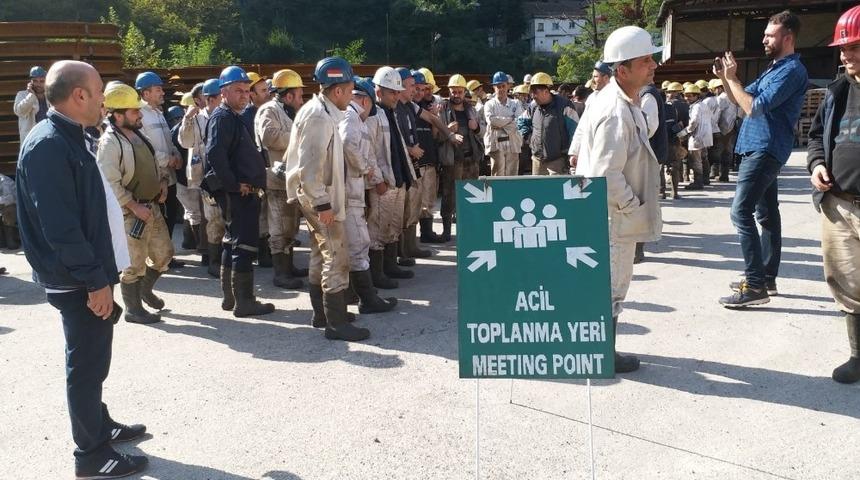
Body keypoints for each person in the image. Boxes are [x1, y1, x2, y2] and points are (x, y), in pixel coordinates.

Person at [16, 60, 148, 478]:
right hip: (76, 279)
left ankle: (99, 424)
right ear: (79, 95)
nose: (104, 100)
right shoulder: (49, 145)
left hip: (87, 273)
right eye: (99, 92)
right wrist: (94, 281)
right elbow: (61, 227)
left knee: (94, 358)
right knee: (86, 364)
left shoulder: (72, 136)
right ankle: (91, 454)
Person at [575, 26, 664, 374]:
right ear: (622, 70)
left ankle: (600, 349)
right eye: (645, 61)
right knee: (611, 286)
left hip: (609, 213)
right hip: (612, 216)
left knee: (607, 284)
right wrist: (632, 206)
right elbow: (605, 174)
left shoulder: (621, 101)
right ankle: (603, 354)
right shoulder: (615, 110)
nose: (653, 65)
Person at [714, 10, 808, 307]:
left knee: (740, 212)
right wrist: (726, 79)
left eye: (770, 35)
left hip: (765, 149)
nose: (764, 39)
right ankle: (766, 277)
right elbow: (738, 99)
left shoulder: (791, 71)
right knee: (766, 214)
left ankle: (755, 285)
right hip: (759, 147)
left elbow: (754, 107)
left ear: (788, 38)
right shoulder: (774, 69)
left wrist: (733, 79)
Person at [284, 57, 370, 341]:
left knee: (320, 253)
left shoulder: (323, 111)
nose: (352, 95)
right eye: (350, 90)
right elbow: (309, 167)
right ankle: (336, 323)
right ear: (338, 90)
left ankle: (323, 314)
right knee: (336, 254)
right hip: (320, 197)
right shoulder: (319, 117)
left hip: (318, 194)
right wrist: (322, 203)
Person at [807, 4, 860, 383]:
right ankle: (858, 356)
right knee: (847, 283)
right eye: (843, 48)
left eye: (853, 47)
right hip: (839, 205)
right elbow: (815, 137)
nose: (845, 56)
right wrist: (816, 165)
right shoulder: (837, 91)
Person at [205, 66, 275, 317]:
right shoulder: (222, 118)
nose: (244, 95)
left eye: (247, 91)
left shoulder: (234, 116)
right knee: (243, 246)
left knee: (232, 243)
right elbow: (215, 154)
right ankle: (244, 302)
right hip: (238, 193)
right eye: (238, 90)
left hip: (242, 191)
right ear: (224, 92)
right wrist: (234, 185)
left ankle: (231, 298)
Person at [340, 76, 398, 314]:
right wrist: (367, 169)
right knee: (358, 244)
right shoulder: (351, 117)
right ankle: (367, 299)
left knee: (351, 244)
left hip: (351, 188)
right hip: (348, 190)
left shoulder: (351, 117)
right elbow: (348, 144)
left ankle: (354, 294)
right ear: (365, 101)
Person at [254, 68, 308, 289]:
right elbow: (269, 137)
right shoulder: (269, 110)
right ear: (288, 95)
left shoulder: (291, 111)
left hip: (290, 180)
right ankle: (281, 273)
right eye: (299, 94)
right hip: (275, 180)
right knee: (279, 228)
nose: (302, 99)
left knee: (291, 225)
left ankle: (289, 266)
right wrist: (300, 137)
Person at [365, 66, 416, 284]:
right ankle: (377, 274)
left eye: (397, 92)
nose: (396, 96)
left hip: (397, 181)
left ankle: (390, 265)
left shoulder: (391, 113)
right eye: (392, 92)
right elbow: (368, 153)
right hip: (383, 184)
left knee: (393, 226)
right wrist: (378, 181)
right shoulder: (372, 116)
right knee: (377, 228)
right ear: (379, 92)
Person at [136, 71, 188, 269]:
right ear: (145, 93)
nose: (162, 92)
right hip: (155, 177)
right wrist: (168, 160)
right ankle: (156, 259)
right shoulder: (140, 115)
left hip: (169, 175)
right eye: (158, 89)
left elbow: (168, 141)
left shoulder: (158, 113)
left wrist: (176, 155)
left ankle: (165, 256)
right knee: (158, 219)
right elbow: (144, 148)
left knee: (170, 217)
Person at [178, 78, 226, 278]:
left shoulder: (227, 116)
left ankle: (221, 256)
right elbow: (185, 141)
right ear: (209, 99)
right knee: (210, 217)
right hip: (205, 176)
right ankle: (212, 259)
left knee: (223, 217)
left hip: (224, 174)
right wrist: (187, 119)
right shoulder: (196, 119)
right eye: (220, 97)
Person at [438, 74, 480, 240]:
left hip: (471, 159)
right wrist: (448, 130)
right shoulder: (442, 109)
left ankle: (469, 232)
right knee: (449, 196)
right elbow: (436, 137)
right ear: (449, 91)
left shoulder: (472, 109)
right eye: (453, 91)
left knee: (471, 196)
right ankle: (447, 232)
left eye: (459, 92)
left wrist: (476, 128)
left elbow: (483, 131)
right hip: (452, 160)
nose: (456, 95)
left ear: (464, 92)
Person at [528, 72, 579, 175]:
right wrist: (529, 139)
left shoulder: (565, 106)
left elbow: (576, 132)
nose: (533, 96)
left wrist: (573, 153)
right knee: (536, 186)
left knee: (557, 186)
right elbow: (522, 121)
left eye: (535, 92)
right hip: (537, 160)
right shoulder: (533, 106)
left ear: (546, 91)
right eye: (531, 92)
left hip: (558, 161)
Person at [483, 71, 524, 177]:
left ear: (508, 86)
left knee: (512, 175)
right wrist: (511, 119)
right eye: (498, 86)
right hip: (496, 144)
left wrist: (500, 124)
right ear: (494, 87)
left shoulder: (516, 103)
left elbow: (519, 122)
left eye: (503, 86)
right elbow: (491, 121)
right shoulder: (489, 104)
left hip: (513, 143)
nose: (501, 89)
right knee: (497, 176)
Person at [683, 83, 712, 190]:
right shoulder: (703, 105)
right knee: (704, 157)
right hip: (705, 135)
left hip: (697, 136)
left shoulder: (696, 107)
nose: (687, 98)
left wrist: (685, 131)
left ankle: (698, 182)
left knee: (696, 160)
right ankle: (706, 179)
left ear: (696, 96)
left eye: (690, 96)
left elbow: (694, 122)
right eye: (686, 95)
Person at [711, 78, 740, 182]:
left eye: (715, 89)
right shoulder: (734, 97)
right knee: (727, 152)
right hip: (731, 129)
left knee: (717, 152)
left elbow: (716, 116)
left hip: (721, 130)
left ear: (719, 88)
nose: (714, 92)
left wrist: (714, 130)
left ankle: (715, 173)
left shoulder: (721, 99)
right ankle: (724, 175)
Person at [14, 66, 49, 142]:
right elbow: (20, 112)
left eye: (42, 81)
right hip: (31, 140)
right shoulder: (22, 95)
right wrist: (31, 96)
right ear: (31, 82)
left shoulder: (51, 96)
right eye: (35, 81)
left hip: (49, 138)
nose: (38, 84)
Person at [0, 173, 18, 250]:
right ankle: (2, 240)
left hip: (11, 206)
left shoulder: (4, 181)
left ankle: (11, 239)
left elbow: (10, 199)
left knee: (8, 209)